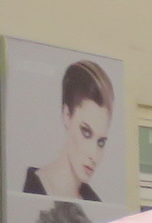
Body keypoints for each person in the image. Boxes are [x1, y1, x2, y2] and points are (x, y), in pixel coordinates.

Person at [22, 59, 113, 202]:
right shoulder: (32, 192)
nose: (93, 155)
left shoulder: (96, 204)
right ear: (67, 115)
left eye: (100, 142)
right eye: (86, 132)